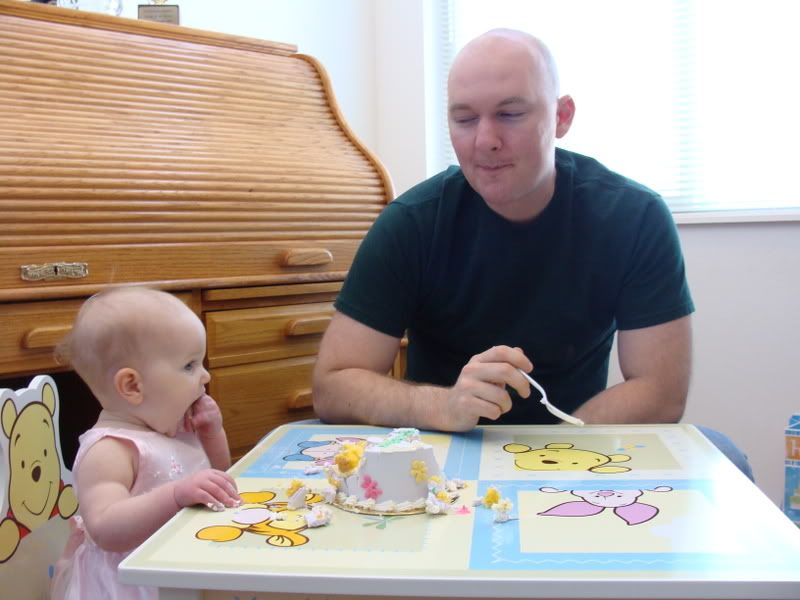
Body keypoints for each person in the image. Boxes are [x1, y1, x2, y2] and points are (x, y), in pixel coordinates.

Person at [312, 29, 752, 479]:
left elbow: (660, 390)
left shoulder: (633, 216)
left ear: (561, 117)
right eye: (464, 119)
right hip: (445, 449)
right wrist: (444, 405)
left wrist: (553, 457)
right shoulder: (412, 222)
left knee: (723, 455)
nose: (485, 140)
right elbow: (334, 384)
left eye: (510, 114)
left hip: (579, 444)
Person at [50, 287, 241, 599]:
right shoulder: (108, 450)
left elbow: (221, 474)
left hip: (177, 567)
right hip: (131, 585)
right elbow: (105, 527)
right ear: (133, 385)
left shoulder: (174, 428)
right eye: (190, 366)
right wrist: (176, 495)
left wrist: (211, 434)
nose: (205, 376)